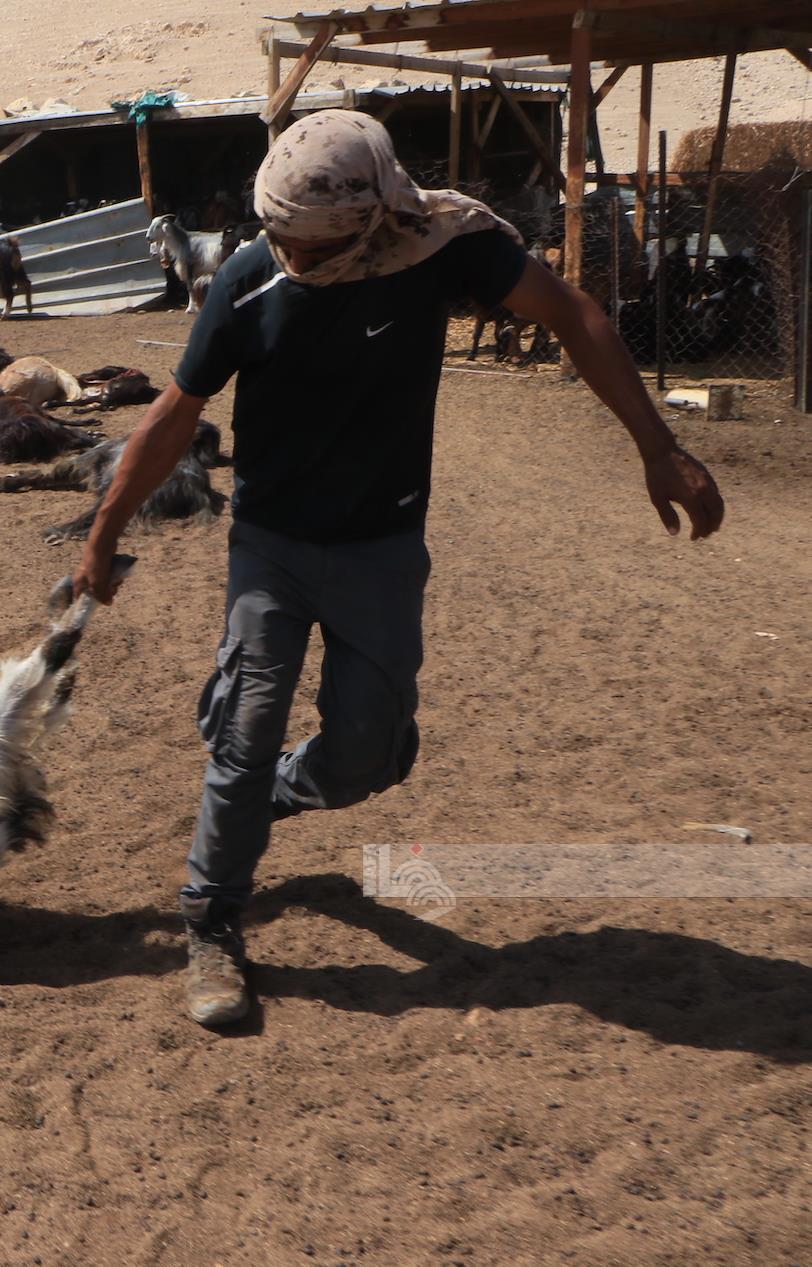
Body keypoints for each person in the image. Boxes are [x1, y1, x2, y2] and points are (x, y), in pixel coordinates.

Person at [72, 112, 724, 1027]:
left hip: (381, 547)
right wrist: (103, 532)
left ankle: (269, 794)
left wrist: (658, 447)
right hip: (272, 543)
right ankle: (212, 921)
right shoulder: (248, 283)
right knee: (247, 721)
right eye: (282, 235)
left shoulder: (442, 251)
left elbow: (573, 311)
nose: (292, 254)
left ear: (374, 220)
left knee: (366, 760)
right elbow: (173, 416)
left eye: (312, 240)